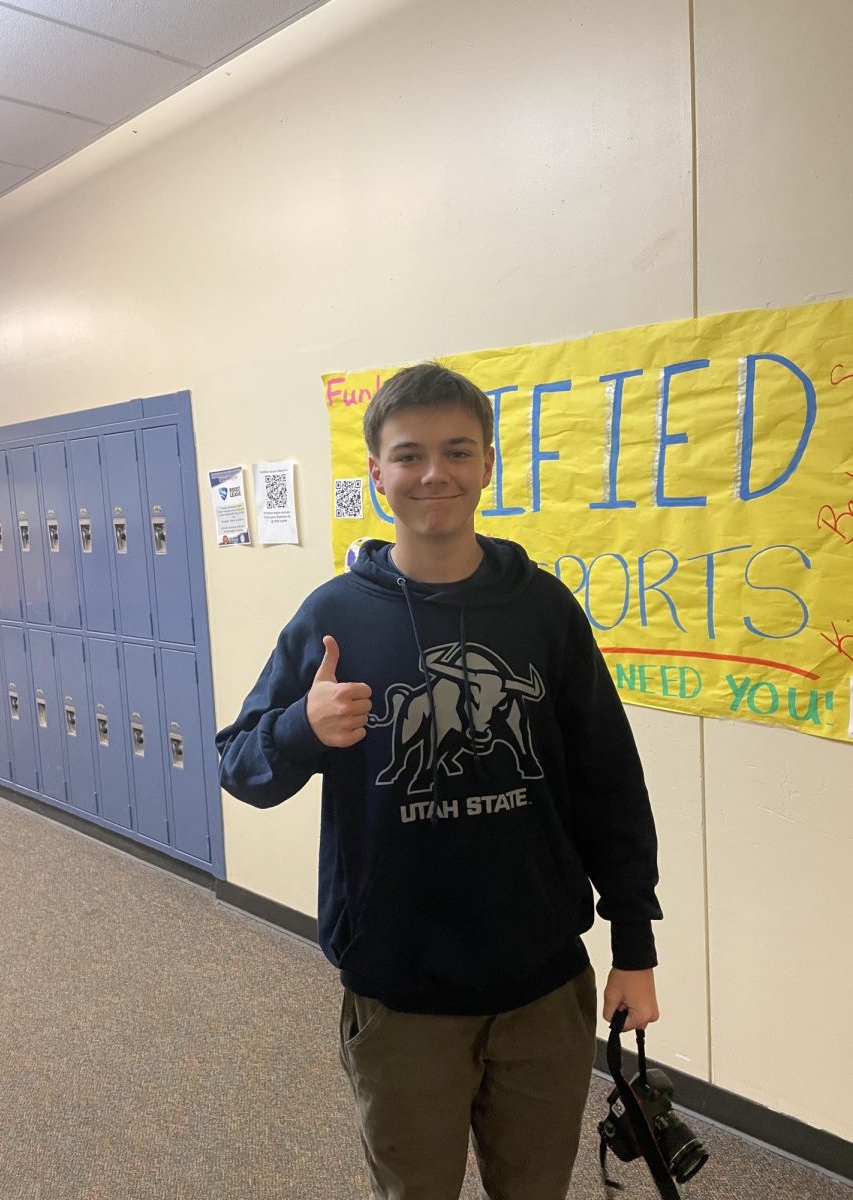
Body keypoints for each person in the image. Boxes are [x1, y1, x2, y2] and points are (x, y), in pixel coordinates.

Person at [216, 362, 663, 1200]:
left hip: (541, 986)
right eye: (409, 454)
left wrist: (634, 948)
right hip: (399, 992)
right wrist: (300, 730)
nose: (434, 474)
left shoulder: (543, 609)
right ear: (377, 472)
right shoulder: (333, 615)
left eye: (457, 451)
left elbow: (610, 781)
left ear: (488, 464)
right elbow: (242, 766)